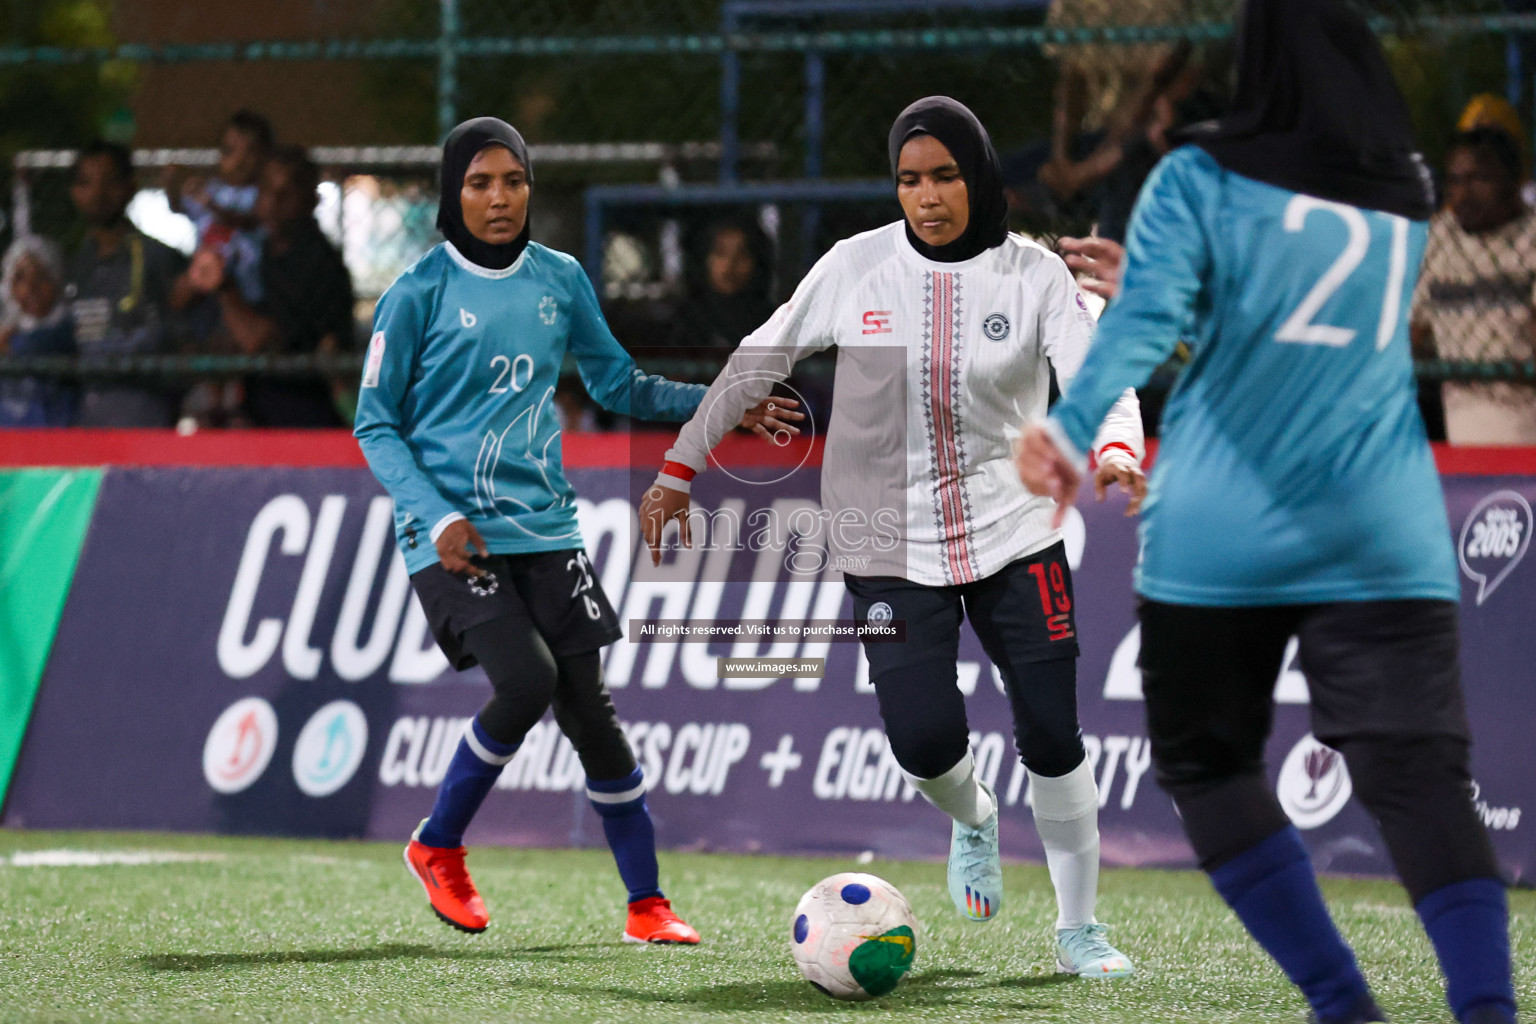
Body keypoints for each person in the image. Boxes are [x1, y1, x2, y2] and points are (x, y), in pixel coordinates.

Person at [1015, 2, 1517, 1023]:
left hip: (1224, 527)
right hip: (1383, 525)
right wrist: (1191, 295)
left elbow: (1146, 321)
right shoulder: (1408, 192)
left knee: (1209, 762)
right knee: (1419, 777)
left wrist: (1068, 434)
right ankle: (1490, 1011)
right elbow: (1306, 323)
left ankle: (1343, 1005)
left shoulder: (1197, 178)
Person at [640, 96, 1145, 979]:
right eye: (910, 179)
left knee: (1054, 734)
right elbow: (759, 357)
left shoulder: (1032, 275)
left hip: (1014, 530)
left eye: (945, 175)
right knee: (920, 740)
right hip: (885, 543)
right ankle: (975, 818)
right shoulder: (855, 266)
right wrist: (681, 467)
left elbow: (1102, 374)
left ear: (979, 177)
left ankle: (1078, 932)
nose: (927, 196)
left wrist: (1116, 449)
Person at [354, 117, 797, 942]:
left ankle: (647, 905)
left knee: (588, 711)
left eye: (513, 182)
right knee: (524, 681)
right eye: (480, 183)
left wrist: (721, 403)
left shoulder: (559, 278)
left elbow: (616, 381)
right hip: (454, 536)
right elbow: (375, 426)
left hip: (546, 531)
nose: (498, 198)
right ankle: (438, 845)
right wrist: (436, 513)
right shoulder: (416, 292)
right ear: (453, 192)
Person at [185, 145, 355, 427]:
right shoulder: (263, 248)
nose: (273, 202)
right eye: (265, 191)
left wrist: (224, 288)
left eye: (286, 193)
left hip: (305, 413)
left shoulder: (316, 260)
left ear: (311, 200)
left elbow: (262, 341)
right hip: (260, 405)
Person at [1410, 127, 1536, 445]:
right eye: (1454, 181)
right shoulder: (1440, 238)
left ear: (1514, 182)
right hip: (1463, 431)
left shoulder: (1530, 238)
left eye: (1479, 178)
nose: (1462, 194)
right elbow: (1414, 330)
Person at [66, 139, 188, 427]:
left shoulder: (158, 258)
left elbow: (184, 338)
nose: (97, 193)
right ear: (73, 193)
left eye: (109, 182)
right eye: (86, 182)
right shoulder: (71, 266)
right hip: (85, 418)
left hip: (144, 413)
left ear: (130, 188)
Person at [0, 236, 75, 427]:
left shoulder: (68, 330)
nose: (31, 287)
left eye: (42, 276)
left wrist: (10, 344)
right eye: (20, 277)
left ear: (57, 281)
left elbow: (41, 345)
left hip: (57, 445)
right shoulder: (9, 332)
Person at [668, 219, 775, 351]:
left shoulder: (771, 321)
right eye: (721, 253)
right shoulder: (686, 321)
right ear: (705, 259)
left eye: (741, 255)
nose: (730, 265)